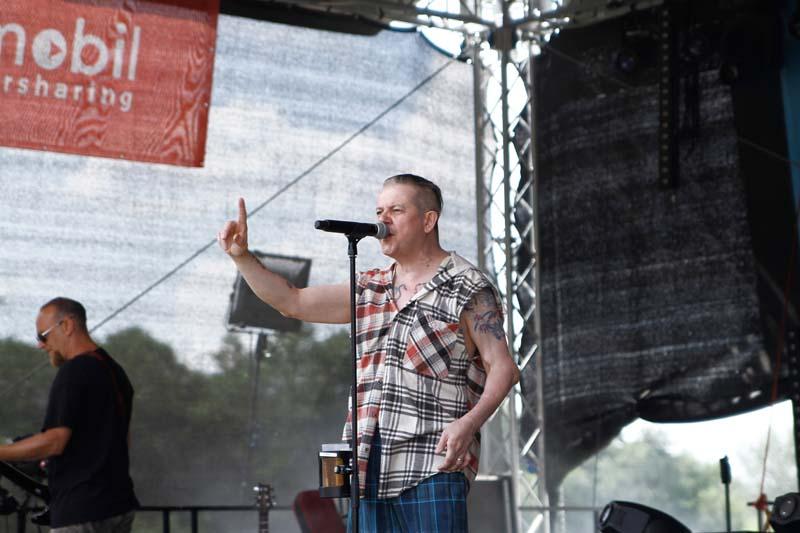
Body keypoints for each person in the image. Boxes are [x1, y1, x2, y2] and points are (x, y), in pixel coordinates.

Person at [218, 174, 520, 532]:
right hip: (367, 467)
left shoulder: (468, 285)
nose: (383, 220)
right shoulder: (369, 287)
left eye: (396, 210)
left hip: (432, 464)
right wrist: (242, 258)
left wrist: (469, 424)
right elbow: (291, 302)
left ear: (428, 220)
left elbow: (503, 367)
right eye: (379, 211)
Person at [0, 298, 139, 532]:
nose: (40, 345)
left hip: (81, 509)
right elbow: (122, 439)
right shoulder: (114, 371)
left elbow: (54, 441)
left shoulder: (74, 370)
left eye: (42, 336)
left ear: (66, 325)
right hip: (118, 505)